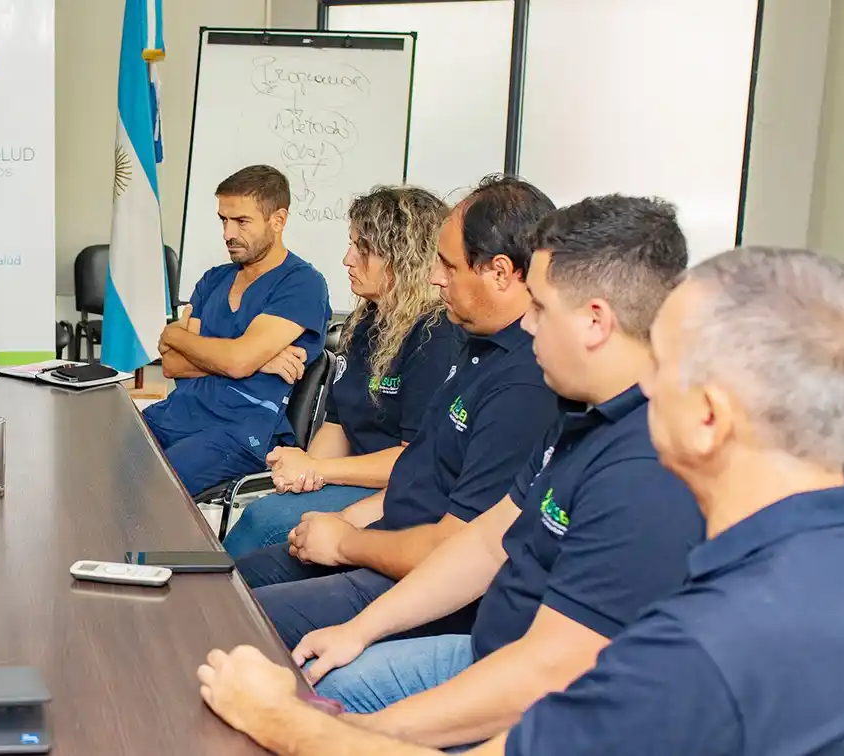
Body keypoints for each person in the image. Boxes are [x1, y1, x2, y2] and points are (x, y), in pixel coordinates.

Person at [196, 246, 844, 756]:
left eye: (663, 363)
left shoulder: (702, 647)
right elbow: (486, 543)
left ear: (708, 418)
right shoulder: (796, 563)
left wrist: (284, 722)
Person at [287, 195, 702, 749]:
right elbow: (488, 542)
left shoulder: (648, 468)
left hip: (542, 699)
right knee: (319, 672)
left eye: (542, 309)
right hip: (490, 649)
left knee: (305, 710)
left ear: (595, 322)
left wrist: (343, 736)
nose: (526, 324)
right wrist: (358, 631)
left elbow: (549, 676)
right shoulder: (581, 411)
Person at [236, 175, 560, 650]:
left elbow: (456, 549)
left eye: (449, 265)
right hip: (389, 541)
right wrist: (346, 521)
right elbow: (417, 476)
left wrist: (346, 542)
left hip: (420, 581)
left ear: (501, 272)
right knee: (229, 581)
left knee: (235, 619)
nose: (434, 277)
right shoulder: (477, 349)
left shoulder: (522, 383)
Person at [223, 185, 461, 555]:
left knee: (267, 524)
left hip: (398, 493)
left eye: (363, 249)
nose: (347, 259)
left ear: (404, 258)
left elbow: (414, 460)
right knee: (267, 516)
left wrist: (318, 469)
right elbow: (339, 424)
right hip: (355, 480)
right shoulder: (365, 322)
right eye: (351, 245)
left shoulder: (435, 336)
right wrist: (305, 473)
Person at [141, 165, 332, 496]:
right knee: (102, 458)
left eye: (241, 221)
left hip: (241, 432)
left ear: (278, 220)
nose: (228, 233)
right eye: (223, 220)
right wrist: (257, 359)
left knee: (154, 489)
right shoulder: (213, 279)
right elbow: (173, 366)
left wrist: (177, 336)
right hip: (179, 413)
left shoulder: (302, 284)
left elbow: (236, 362)